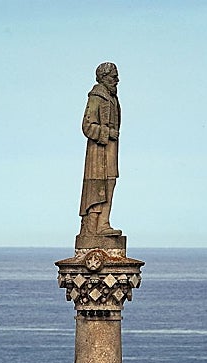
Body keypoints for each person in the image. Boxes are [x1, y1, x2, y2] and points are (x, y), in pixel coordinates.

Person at [79, 62, 121, 237]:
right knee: (98, 184)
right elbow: (87, 125)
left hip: (110, 150)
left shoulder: (112, 98)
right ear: (103, 78)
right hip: (98, 151)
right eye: (113, 77)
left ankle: (104, 223)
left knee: (110, 181)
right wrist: (108, 132)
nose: (117, 80)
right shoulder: (96, 97)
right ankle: (94, 226)